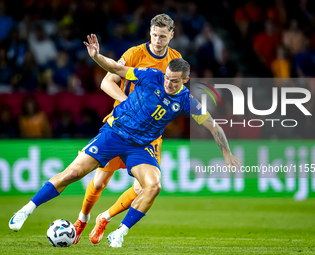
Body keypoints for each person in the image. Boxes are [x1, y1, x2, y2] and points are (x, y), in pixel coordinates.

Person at [9, 34, 242, 249]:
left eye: (174, 81)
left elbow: (213, 125)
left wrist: (226, 153)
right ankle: (26, 210)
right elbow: (116, 68)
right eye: (168, 78)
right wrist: (97, 57)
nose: (168, 84)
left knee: (154, 186)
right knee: (73, 174)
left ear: (186, 80)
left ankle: (119, 232)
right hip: (115, 133)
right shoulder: (152, 76)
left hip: (141, 147)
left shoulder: (186, 101)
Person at [73, 14, 182, 244]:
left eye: (163, 36)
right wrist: (128, 104)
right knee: (100, 182)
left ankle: (105, 217)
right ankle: (82, 219)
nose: (157, 40)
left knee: (145, 187)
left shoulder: (175, 60)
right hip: (122, 127)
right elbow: (106, 82)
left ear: (171, 35)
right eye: (154, 35)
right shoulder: (134, 54)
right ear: (149, 33)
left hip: (149, 136)